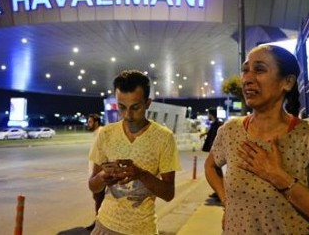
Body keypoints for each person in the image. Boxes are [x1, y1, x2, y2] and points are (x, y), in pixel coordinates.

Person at [204, 45, 309, 234]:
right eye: (245, 70)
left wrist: (279, 177)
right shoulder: (230, 131)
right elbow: (210, 167)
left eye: (259, 69)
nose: (247, 79)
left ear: (287, 82)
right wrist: (227, 202)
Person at [89, 70, 181, 234]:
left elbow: (168, 194)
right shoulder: (106, 134)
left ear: (148, 103)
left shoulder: (164, 137)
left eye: (135, 107)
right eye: (122, 107)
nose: (128, 115)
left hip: (142, 229)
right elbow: (93, 186)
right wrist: (103, 176)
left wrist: (141, 174)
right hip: (105, 225)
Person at [199, 108, 223, 203]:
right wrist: (204, 134)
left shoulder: (217, 124)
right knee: (216, 170)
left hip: (216, 151)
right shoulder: (215, 124)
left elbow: (217, 136)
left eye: (208, 114)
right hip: (214, 150)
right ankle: (217, 191)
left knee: (215, 170)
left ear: (211, 114)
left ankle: (220, 192)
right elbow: (210, 133)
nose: (208, 115)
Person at [86, 113, 103, 231]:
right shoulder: (96, 134)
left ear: (96, 122)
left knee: (99, 199)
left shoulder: (101, 133)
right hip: (94, 173)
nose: (88, 124)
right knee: (97, 199)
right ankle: (98, 222)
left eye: (90, 122)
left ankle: (99, 224)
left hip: (98, 174)